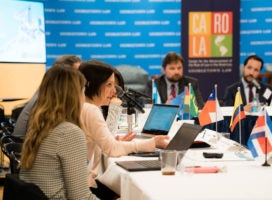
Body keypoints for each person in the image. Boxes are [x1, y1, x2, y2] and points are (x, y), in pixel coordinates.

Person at [78, 60, 169, 195]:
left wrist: (115, 141)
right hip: (84, 187)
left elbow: (105, 143)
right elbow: (112, 149)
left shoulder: (83, 107)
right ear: (92, 85)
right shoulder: (90, 110)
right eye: (109, 85)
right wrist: (152, 143)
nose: (114, 91)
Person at [19, 64, 99, 199]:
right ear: (74, 95)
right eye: (82, 91)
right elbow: (80, 197)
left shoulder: (38, 125)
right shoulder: (69, 133)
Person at [12, 55, 82, 139]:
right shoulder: (50, 96)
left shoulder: (47, 90)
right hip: (23, 145)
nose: (80, 77)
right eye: (77, 72)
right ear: (63, 74)